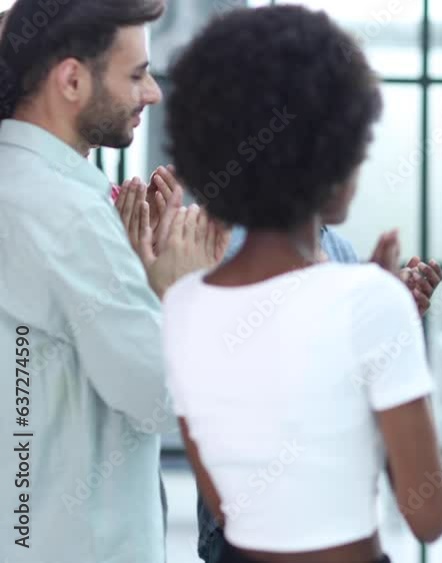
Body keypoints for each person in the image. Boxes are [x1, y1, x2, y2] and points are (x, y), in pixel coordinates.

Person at [161, 6, 442, 563]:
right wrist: (385, 335)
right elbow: (428, 515)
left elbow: (227, 506)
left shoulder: (182, 304)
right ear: (335, 153)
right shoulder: (374, 302)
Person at [0, 1, 221, 561]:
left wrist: (134, 276)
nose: (153, 93)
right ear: (72, 80)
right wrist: (180, 291)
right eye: (137, 74)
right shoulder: (69, 213)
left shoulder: (27, 189)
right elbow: (162, 397)